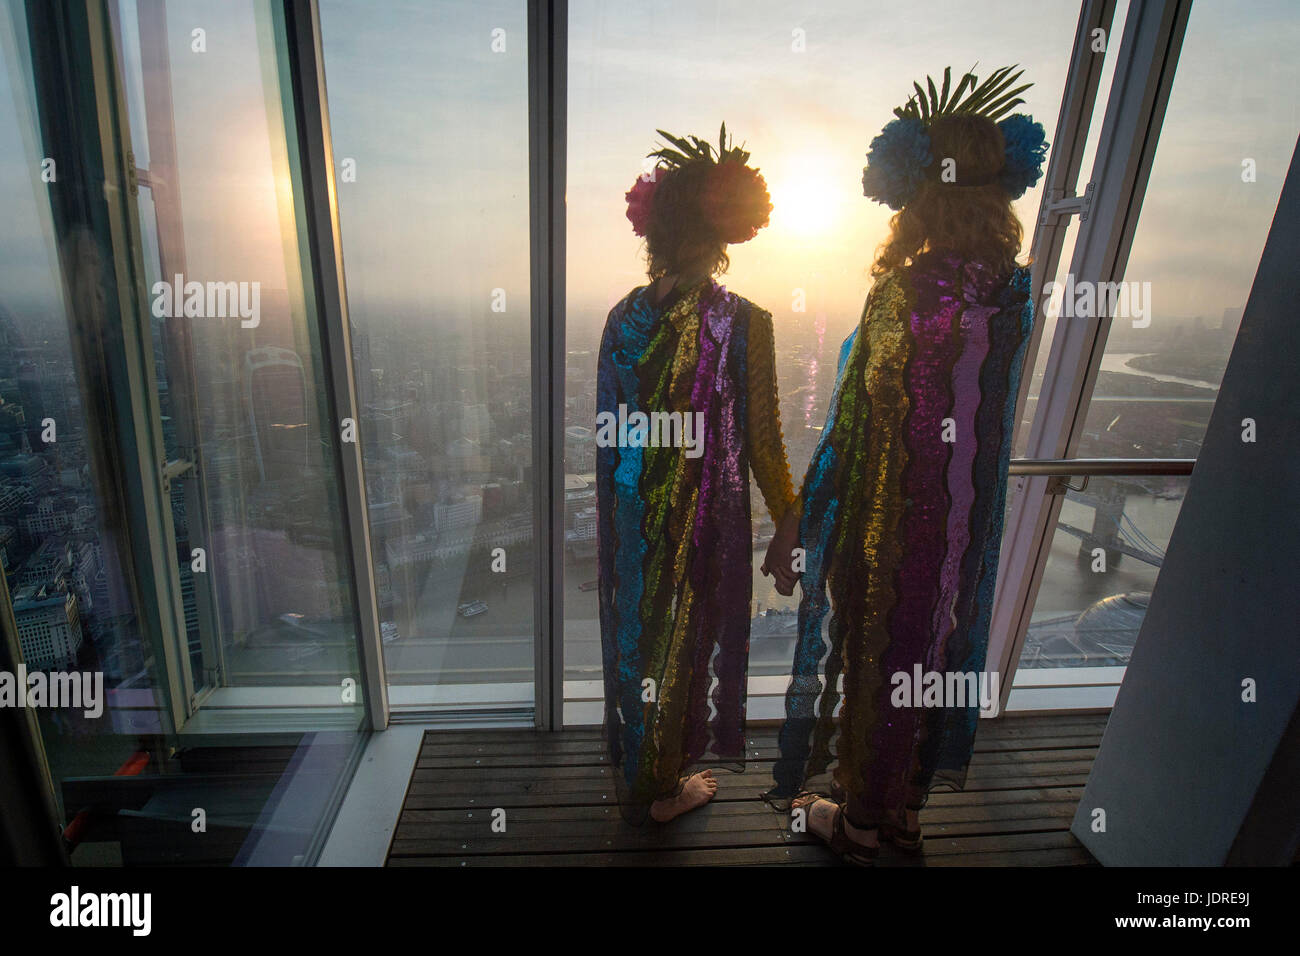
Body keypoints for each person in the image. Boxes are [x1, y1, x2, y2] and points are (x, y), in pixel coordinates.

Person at [764, 67, 1047, 863]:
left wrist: (796, 525)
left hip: (894, 527)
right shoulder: (1016, 293)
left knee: (880, 666)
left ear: (921, 193)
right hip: (968, 532)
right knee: (936, 662)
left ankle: (855, 823)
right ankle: (906, 816)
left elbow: (850, 431)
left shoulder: (904, 294)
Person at [597, 125, 798, 824]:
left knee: (640, 639)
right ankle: (660, 791)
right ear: (722, 236)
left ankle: (644, 767)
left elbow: (612, 433)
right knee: (681, 646)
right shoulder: (741, 322)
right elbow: (764, 441)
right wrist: (789, 522)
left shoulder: (623, 317)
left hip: (630, 519)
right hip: (698, 519)